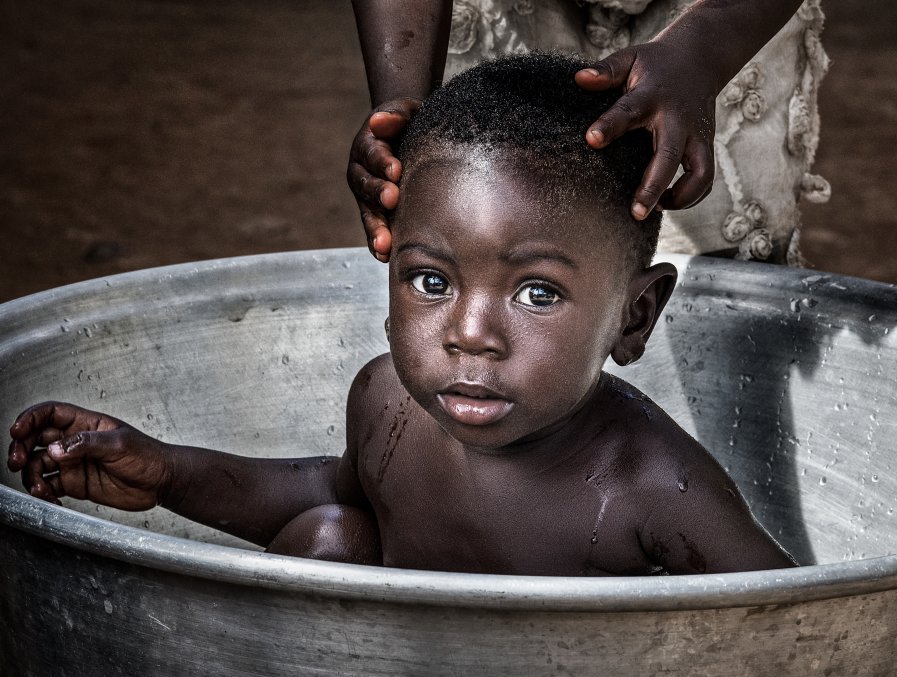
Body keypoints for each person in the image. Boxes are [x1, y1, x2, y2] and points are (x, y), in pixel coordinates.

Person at [7, 53, 794, 575]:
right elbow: (342, 490)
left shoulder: (652, 487)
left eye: (538, 293)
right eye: (429, 281)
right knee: (329, 537)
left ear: (635, 316)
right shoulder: (387, 403)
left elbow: (794, 628)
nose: (469, 333)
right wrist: (166, 471)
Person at [349, 0, 830, 266]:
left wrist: (705, 52)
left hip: (725, 16)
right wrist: (403, 114)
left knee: (715, 273)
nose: (474, 338)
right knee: (477, 233)